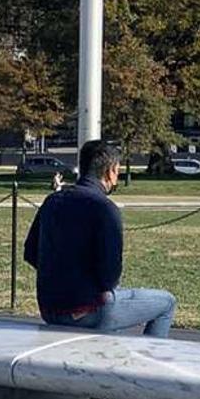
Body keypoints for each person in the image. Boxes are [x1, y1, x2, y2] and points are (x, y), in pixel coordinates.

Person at [23, 139, 175, 337]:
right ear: (110, 171)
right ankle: (148, 361)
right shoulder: (104, 208)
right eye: (117, 172)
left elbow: (30, 252)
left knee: (116, 308)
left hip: (49, 309)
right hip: (89, 309)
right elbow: (110, 274)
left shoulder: (52, 201)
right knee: (167, 303)